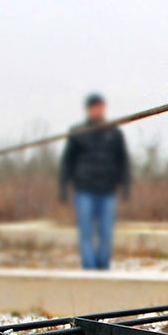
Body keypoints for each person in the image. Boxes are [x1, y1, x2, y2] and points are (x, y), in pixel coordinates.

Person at [59, 94, 130, 270]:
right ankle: (89, 270)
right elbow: (67, 161)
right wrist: (62, 186)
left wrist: (125, 185)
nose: (97, 110)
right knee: (86, 233)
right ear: (88, 109)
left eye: (100, 107)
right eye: (93, 107)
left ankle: (103, 268)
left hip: (107, 191)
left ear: (103, 108)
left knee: (106, 233)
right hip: (84, 190)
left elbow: (122, 160)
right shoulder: (78, 132)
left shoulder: (114, 133)